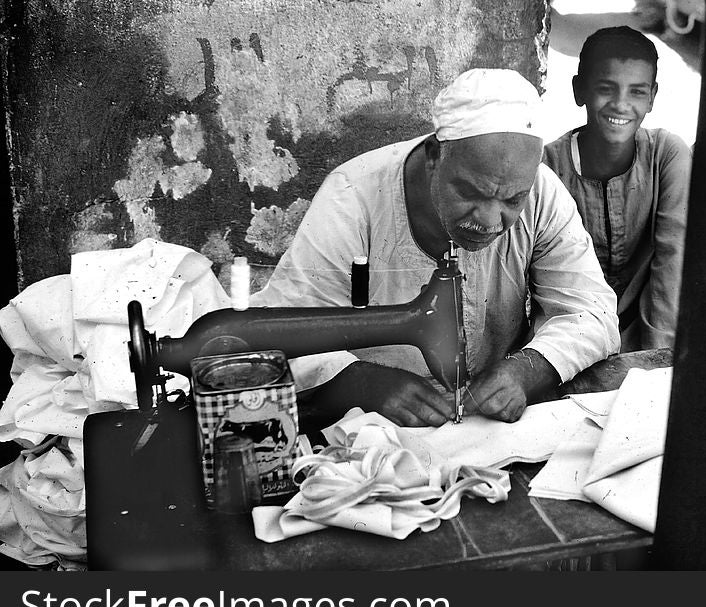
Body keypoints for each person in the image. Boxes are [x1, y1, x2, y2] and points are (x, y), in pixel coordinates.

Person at [252, 68, 620, 428]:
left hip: (489, 424)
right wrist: (362, 383)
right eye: (471, 193)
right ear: (433, 155)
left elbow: (592, 312)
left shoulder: (541, 192)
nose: (491, 221)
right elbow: (286, 328)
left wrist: (529, 368)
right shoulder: (351, 198)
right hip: (368, 425)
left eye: (512, 200)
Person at [543, 26, 692, 351]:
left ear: (652, 97)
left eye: (637, 92)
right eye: (606, 88)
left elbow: (672, 260)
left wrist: (657, 362)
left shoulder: (666, 155)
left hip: (646, 330)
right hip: (569, 337)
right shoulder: (548, 167)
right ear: (579, 89)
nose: (621, 104)